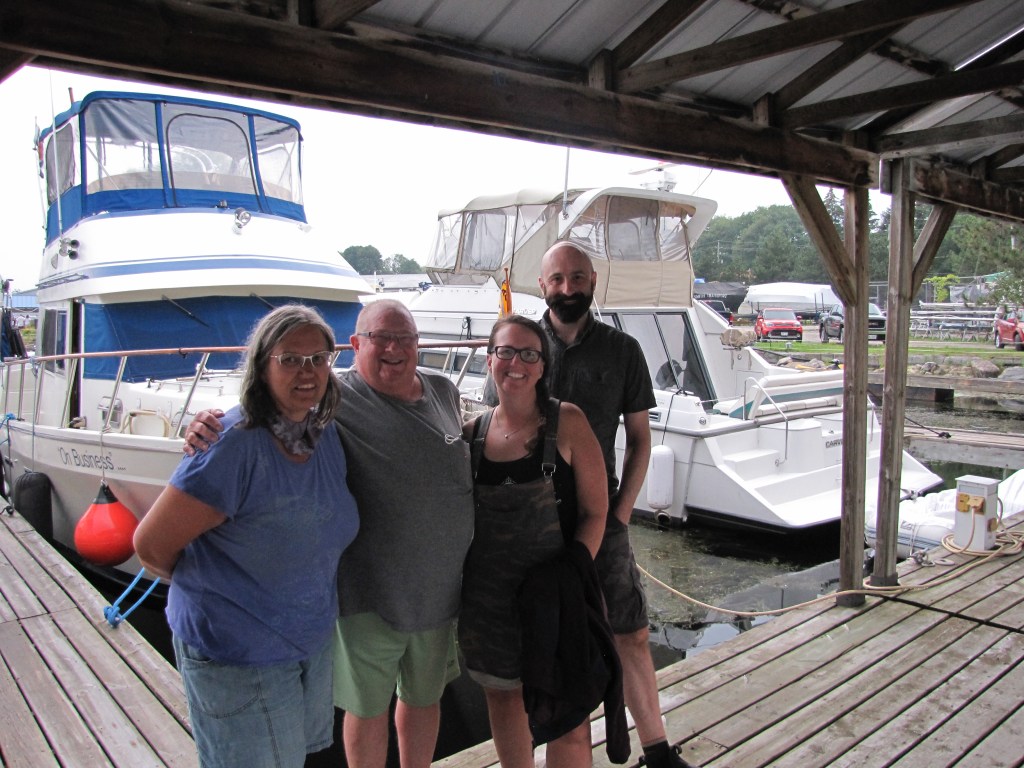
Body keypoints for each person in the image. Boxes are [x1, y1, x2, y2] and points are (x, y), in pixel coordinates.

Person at [183, 299, 474, 768]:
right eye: (381, 338)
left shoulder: (443, 389)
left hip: (439, 590)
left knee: (425, 696)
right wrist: (201, 424)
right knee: (367, 706)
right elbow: (272, 407)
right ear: (356, 344)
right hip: (368, 591)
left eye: (405, 338)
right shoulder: (333, 397)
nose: (395, 348)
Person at [133, 304, 360, 768]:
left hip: (305, 644)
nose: (307, 371)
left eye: (318, 358)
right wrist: (224, 589)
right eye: (290, 359)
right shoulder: (229, 443)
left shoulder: (323, 434)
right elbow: (150, 546)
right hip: (238, 654)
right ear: (261, 365)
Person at [534, 241, 695, 768]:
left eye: (578, 277)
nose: (568, 288)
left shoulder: (623, 350)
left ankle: (657, 751)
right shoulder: (522, 345)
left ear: (593, 282)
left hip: (603, 516)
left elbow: (641, 440)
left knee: (631, 632)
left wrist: (621, 514)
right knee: (547, 641)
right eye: (558, 279)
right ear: (543, 285)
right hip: (535, 519)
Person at [460, 314, 611, 768]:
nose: (517, 363)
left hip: (557, 602)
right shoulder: (470, 435)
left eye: (530, 354)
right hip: (489, 607)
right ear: (490, 360)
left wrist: (571, 575)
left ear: (543, 366)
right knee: (504, 700)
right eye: (506, 351)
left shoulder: (568, 422)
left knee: (568, 717)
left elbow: (596, 511)